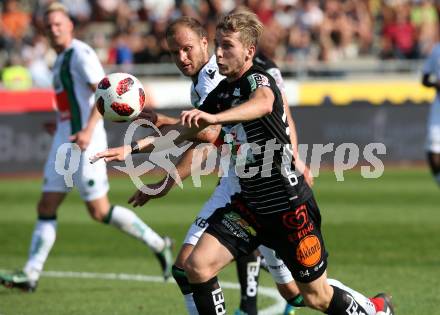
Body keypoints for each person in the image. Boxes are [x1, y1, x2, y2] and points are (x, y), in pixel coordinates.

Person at [95, 12, 395, 315]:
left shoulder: (257, 80)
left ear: (249, 51)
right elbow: (189, 132)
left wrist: (214, 119)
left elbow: (262, 103)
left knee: (314, 296)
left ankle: (377, 311)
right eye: (218, 46)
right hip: (248, 205)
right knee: (196, 267)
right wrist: (132, 149)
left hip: (288, 207)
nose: (219, 53)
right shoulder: (222, 92)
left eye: (227, 47)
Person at [131, 17, 306, 315]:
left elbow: (212, 134)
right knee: (189, 269)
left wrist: (166, 179)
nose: (181, 58)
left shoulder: (214, 79)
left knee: (302, 293)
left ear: (204, 43)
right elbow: (211, 137)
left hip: (256, 188)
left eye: (187, 49)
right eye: (174, 53)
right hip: (240, 186)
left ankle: (372, 307)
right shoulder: (203, 83)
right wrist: (169, 129)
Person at [0, 2, 172, 292]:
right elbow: (74, 101)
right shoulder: (61, 59)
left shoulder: (80, 54)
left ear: (70, 26)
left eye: (59, 24)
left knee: (98, 210)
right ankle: (30, 275)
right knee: (46, 205)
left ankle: (159, 243)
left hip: (86, 140)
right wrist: (62, 123)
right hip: (65, 138)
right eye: (49, 26)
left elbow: (102, 94)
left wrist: (88, 128)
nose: (54, 29)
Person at [421, 43, 440, 187]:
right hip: (438, 106)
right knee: (433, 149)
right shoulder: (437, 50)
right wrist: (436, 84)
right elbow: (425, 79)